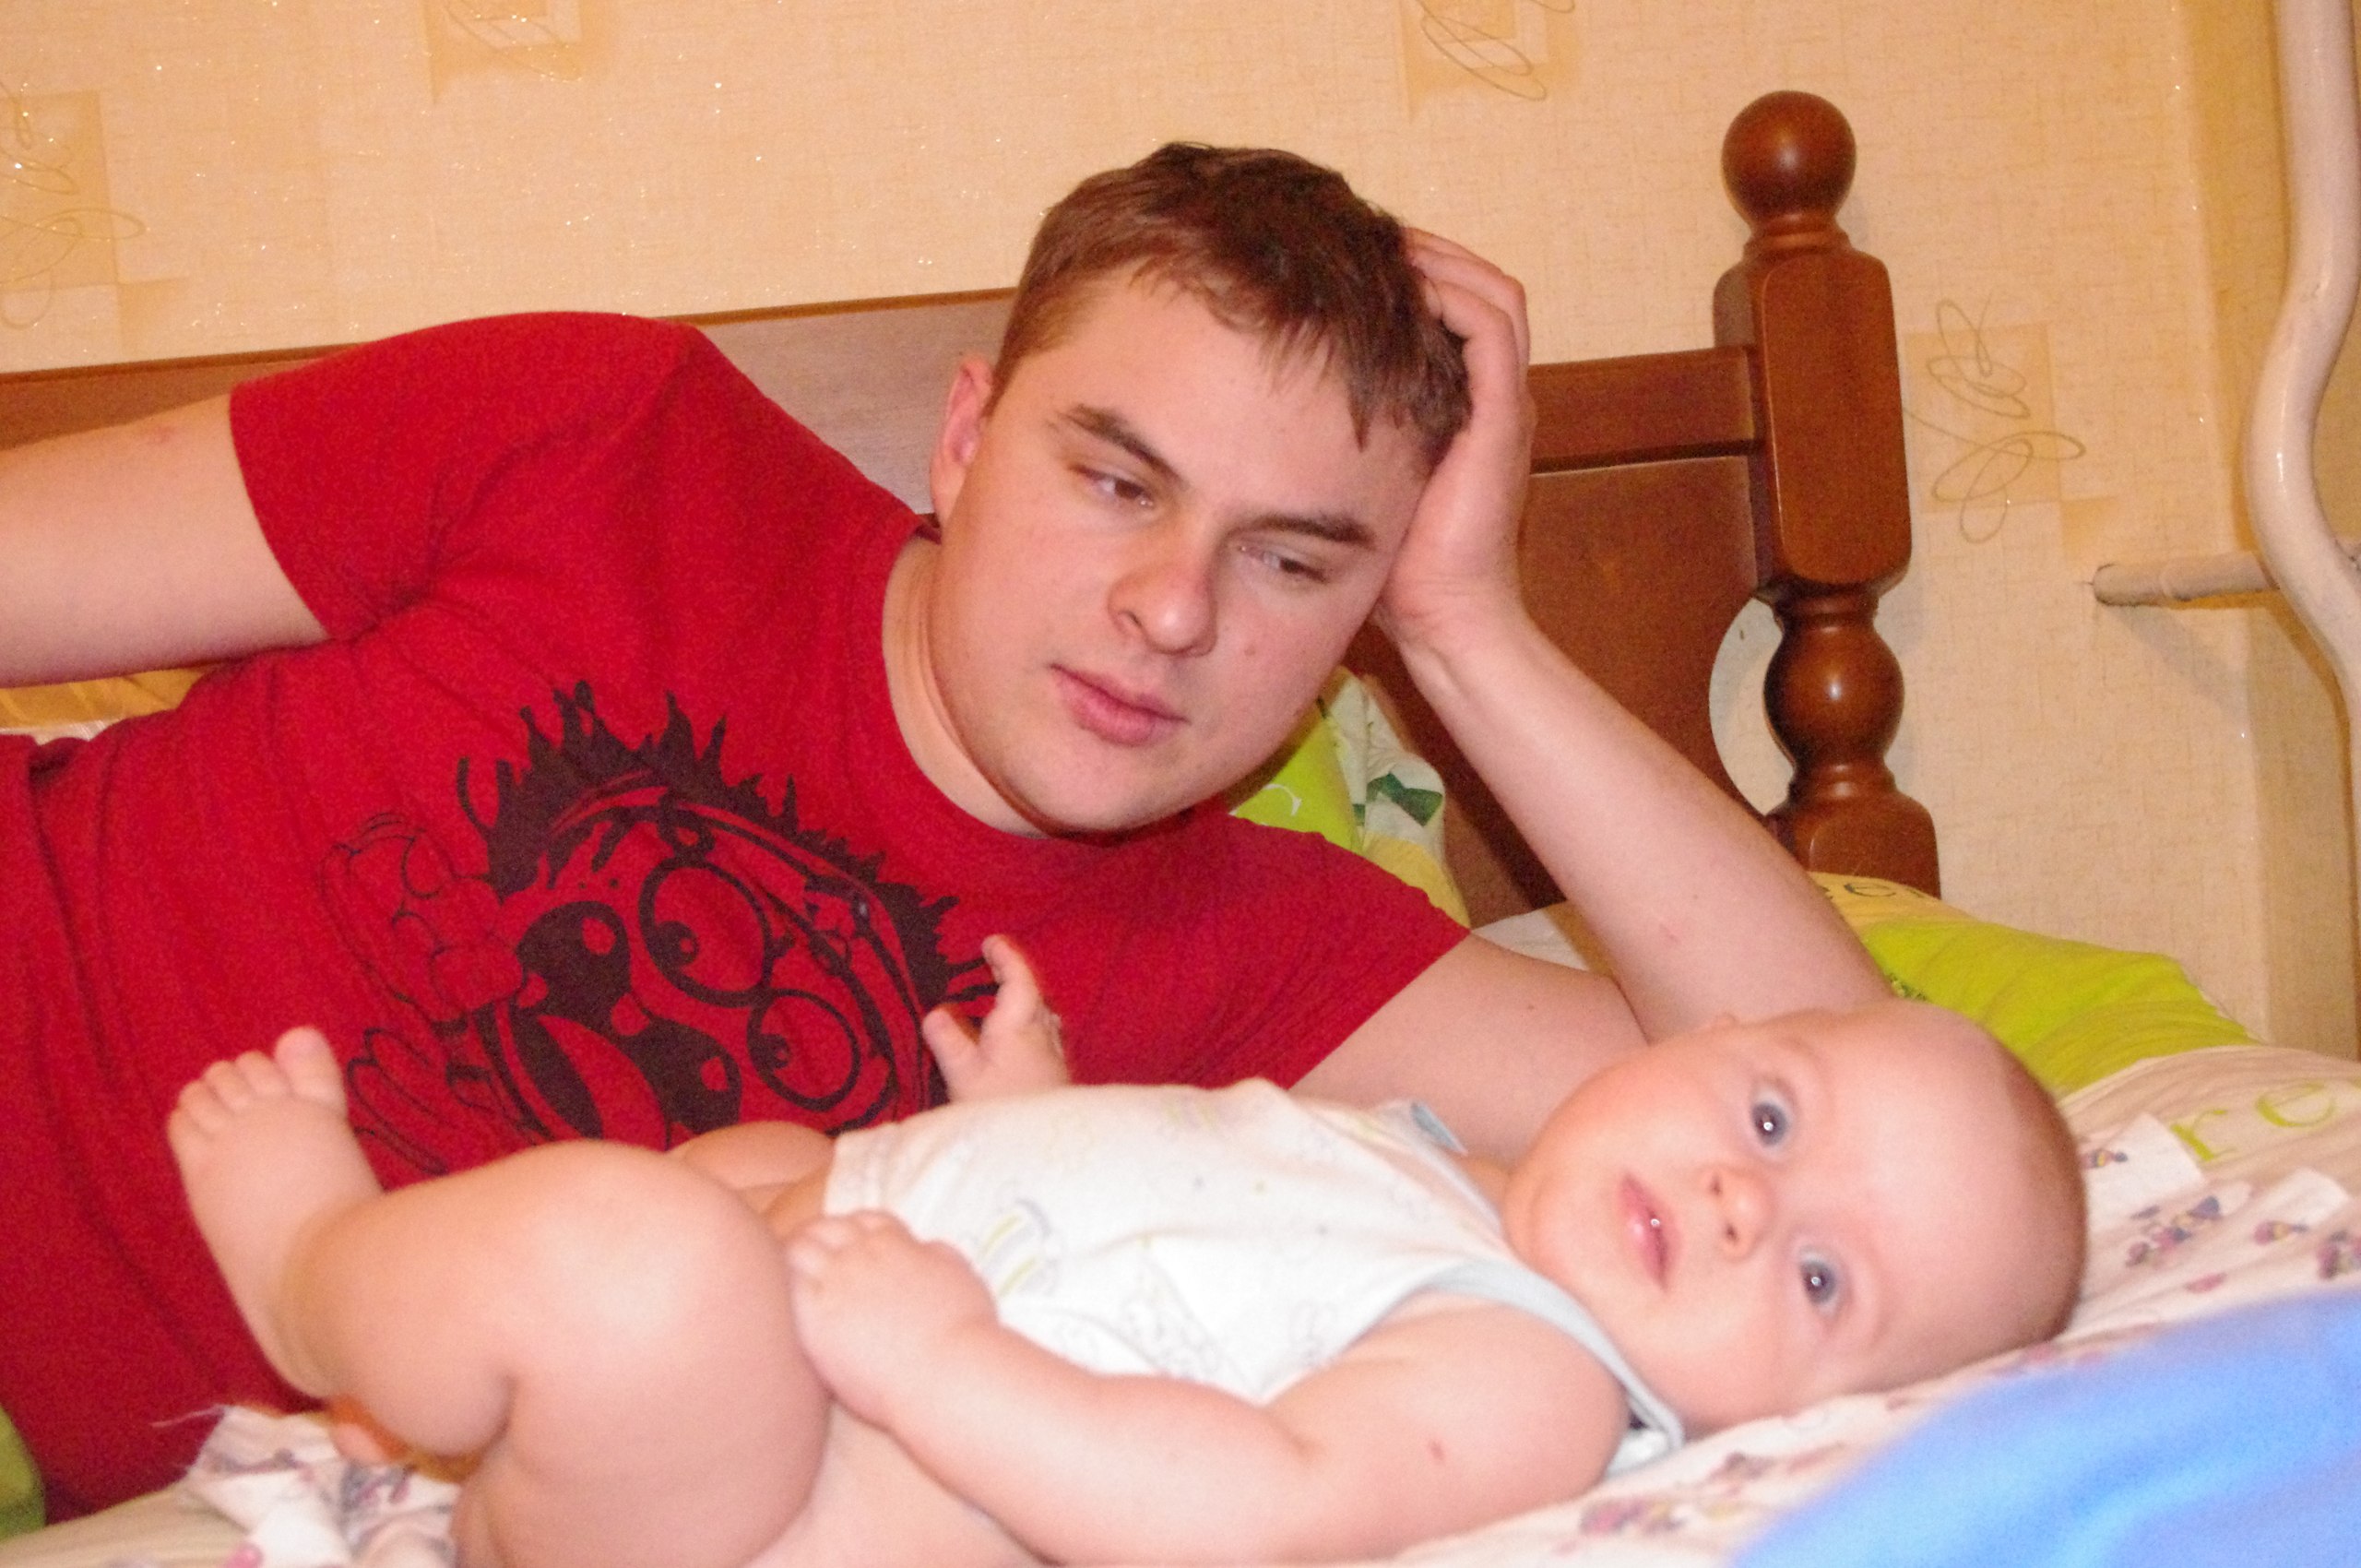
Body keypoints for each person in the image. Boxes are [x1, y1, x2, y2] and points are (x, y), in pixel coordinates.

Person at [0, 143, 1890, 1514]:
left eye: (1293, 561)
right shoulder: (605, 437)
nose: (1171, 609)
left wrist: (1471, 626)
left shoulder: (1257, 956)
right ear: (966, 435)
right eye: (1115, 481)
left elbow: (1861, 1112)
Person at [167, 936, 2087, 1568]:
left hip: (767, 1506)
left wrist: (943, 1363)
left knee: (636, 1255)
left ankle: (317, 1271)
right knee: (755, 1160)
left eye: (1819, 1284)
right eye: (1771, 1119)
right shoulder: (1431, 1163)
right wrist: (1035, 1116)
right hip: (799, 1316)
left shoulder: (1537, 1375)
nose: (1748, 1203)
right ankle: (464, 1396)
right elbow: (1202, 1252)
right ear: (1695, 1035)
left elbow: (1251, 1499)